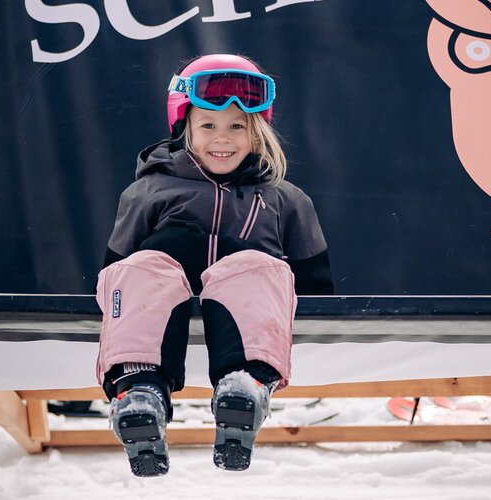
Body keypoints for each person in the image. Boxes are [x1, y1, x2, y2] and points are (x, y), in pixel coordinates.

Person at [95, 54, 333, 477]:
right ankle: (139, 390)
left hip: (248, 328)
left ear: (257, 131)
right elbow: (116, 277)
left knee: (258, 266)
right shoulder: (148, 192)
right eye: (208, 125)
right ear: (184, 127)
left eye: (236, 126)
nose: (222, 138)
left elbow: (315, 288)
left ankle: (244, 388)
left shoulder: (286, 200)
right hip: (159, 318)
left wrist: (249, 263)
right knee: (144, 264)